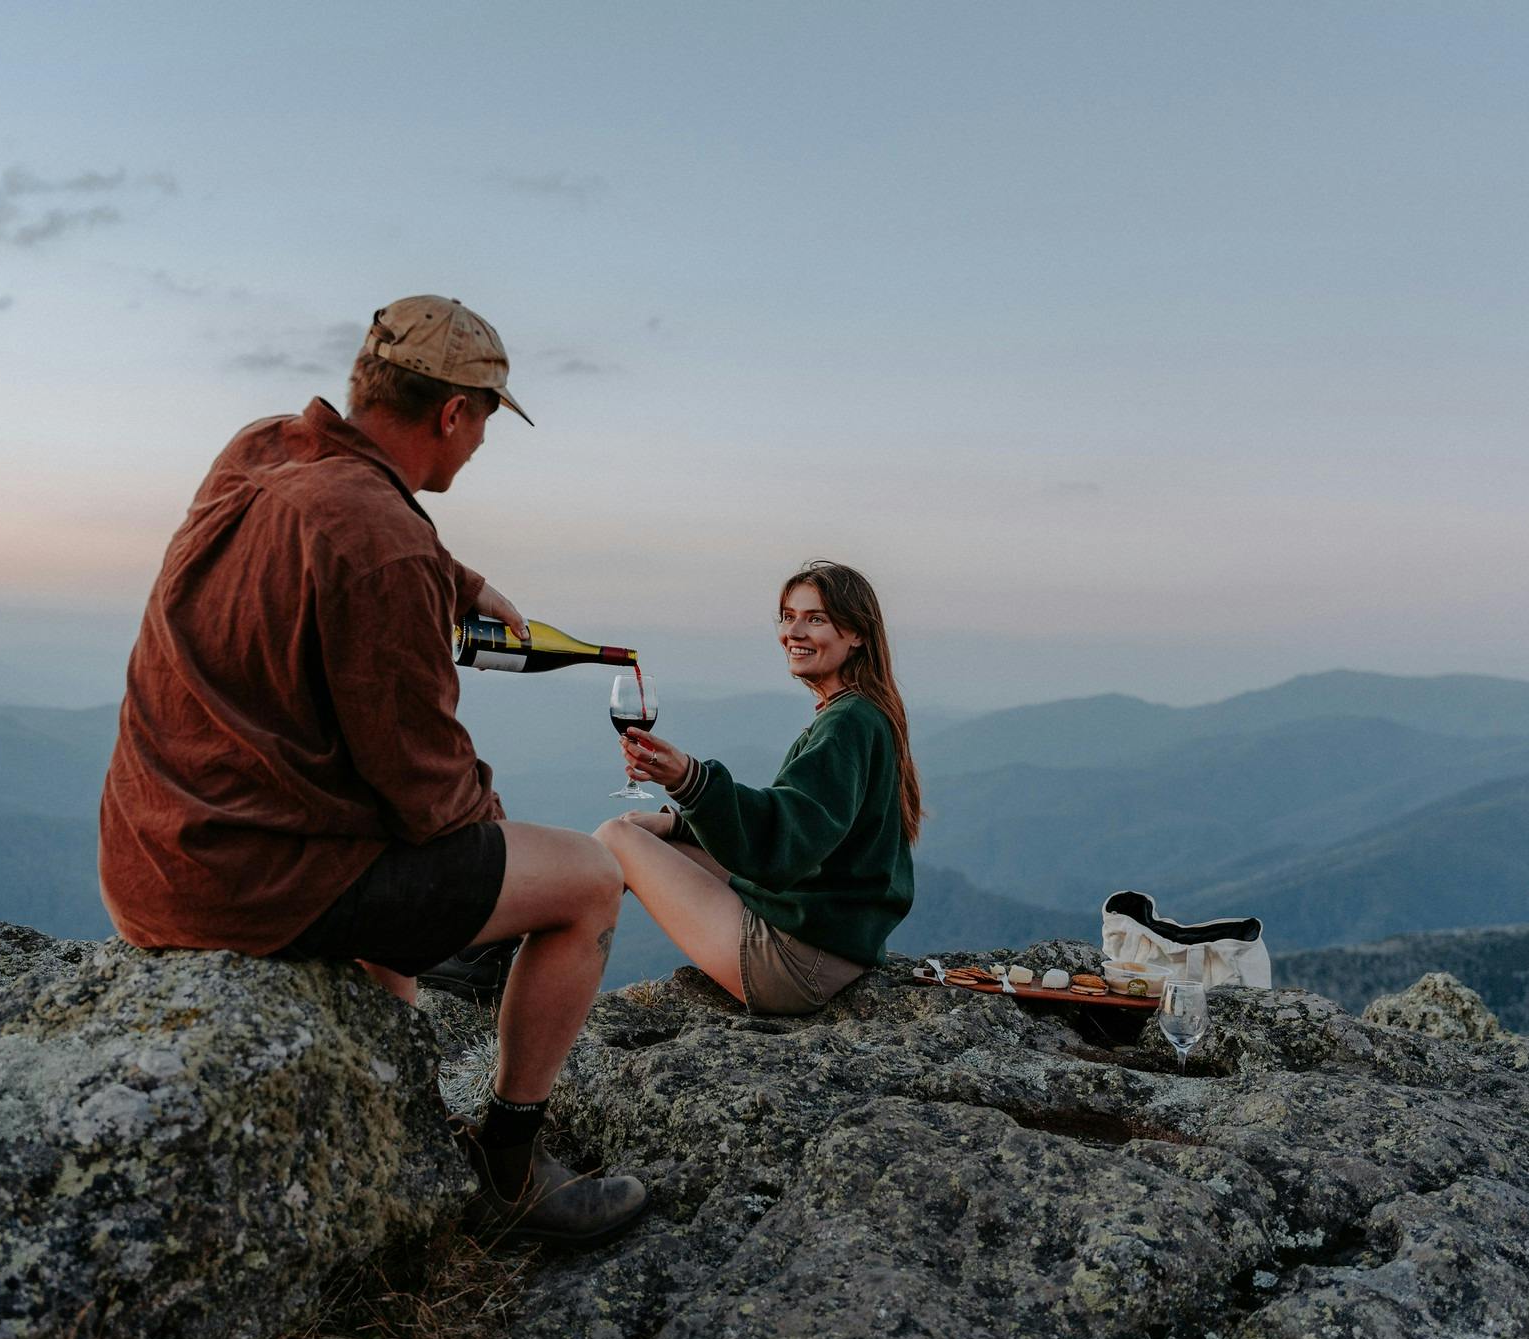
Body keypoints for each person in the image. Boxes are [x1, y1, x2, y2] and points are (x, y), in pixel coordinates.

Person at [99, 295, 646, 1248]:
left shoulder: (264, 448)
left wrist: (459, 579)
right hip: (248, 887)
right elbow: (427, 793)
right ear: (452, 414)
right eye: (482, 423)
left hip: (152, 851)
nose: (478, 446)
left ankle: (396, 1140)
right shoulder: (382, 545)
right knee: (590, 883)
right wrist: (499, 854)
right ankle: (509, 1172)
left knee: (399, 908)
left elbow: (364, 508)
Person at [594, 561, 920, 1015]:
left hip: (795, 964)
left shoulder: (848, 723)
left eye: (816, 618)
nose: (795, 632)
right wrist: (680, 826)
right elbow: (813, 833)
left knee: (615, 837)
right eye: (788, 616)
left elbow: (786, 837)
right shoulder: (860, 714)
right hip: (829, 948)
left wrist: (690, 779)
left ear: (858, 634)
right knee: (642, 829)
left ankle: (544, 969)